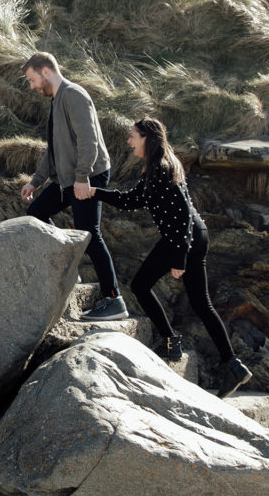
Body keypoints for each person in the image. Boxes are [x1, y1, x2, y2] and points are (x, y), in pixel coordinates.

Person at [87, 116, 253, 398]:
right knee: (202, 305)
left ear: (146, 138)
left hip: (183, 237)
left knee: (140, 285)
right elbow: (131, 201)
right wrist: (95, 192)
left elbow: (181, 215)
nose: (129, 141)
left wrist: (179, 257)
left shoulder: (161, 168)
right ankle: (234, 366)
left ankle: (169, 341)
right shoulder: (160, 166)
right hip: (194, 236)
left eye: (133, 136)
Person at [19, 51, 127, 321]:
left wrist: (82, 178)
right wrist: (35, 181)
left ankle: (114, 300)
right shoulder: (57, 100)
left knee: (89, 233)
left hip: (88, 174)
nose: (32, 87)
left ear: (45, 71)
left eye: (32, 79)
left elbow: (89, 140)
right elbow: (54, 149)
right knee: (36, 214)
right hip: (67, 176)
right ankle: (69, 258)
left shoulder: (73, 95)